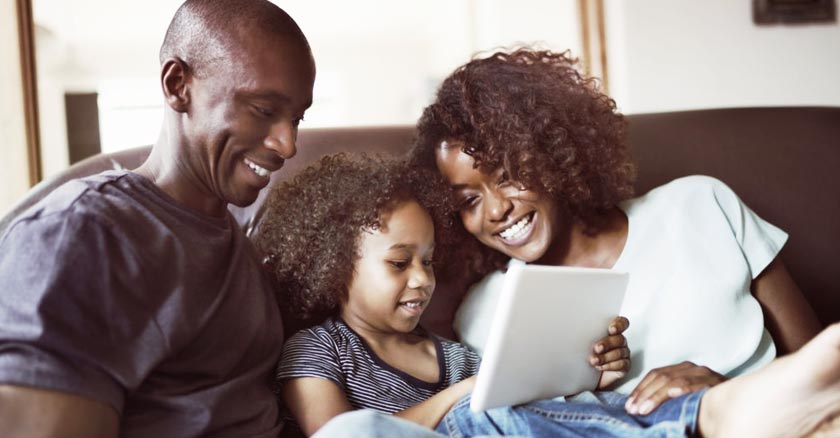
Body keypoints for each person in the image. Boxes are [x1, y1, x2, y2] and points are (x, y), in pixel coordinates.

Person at [409, 48, 823, 416]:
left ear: (551, 154)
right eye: (468, 201)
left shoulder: (700, 205)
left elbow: (821, 368)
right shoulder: (484, 314)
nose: (497, 209)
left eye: (510, 175)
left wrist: (722, 395)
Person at [256, 153, 747, 437]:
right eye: (400, 263)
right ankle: (707, 420)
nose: (423, 279)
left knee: (503, 412)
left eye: (428, 261)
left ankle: (690, 417)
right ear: (334, 264)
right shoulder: (318, 349)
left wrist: (587, 378)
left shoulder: (455, 356)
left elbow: (527, 421)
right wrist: (467, 395)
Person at [0, 0, 315, 436]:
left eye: (296, 118)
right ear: (177, 84)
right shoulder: (83, 233)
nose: (288, 144)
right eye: (264, 110)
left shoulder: (238, 242)